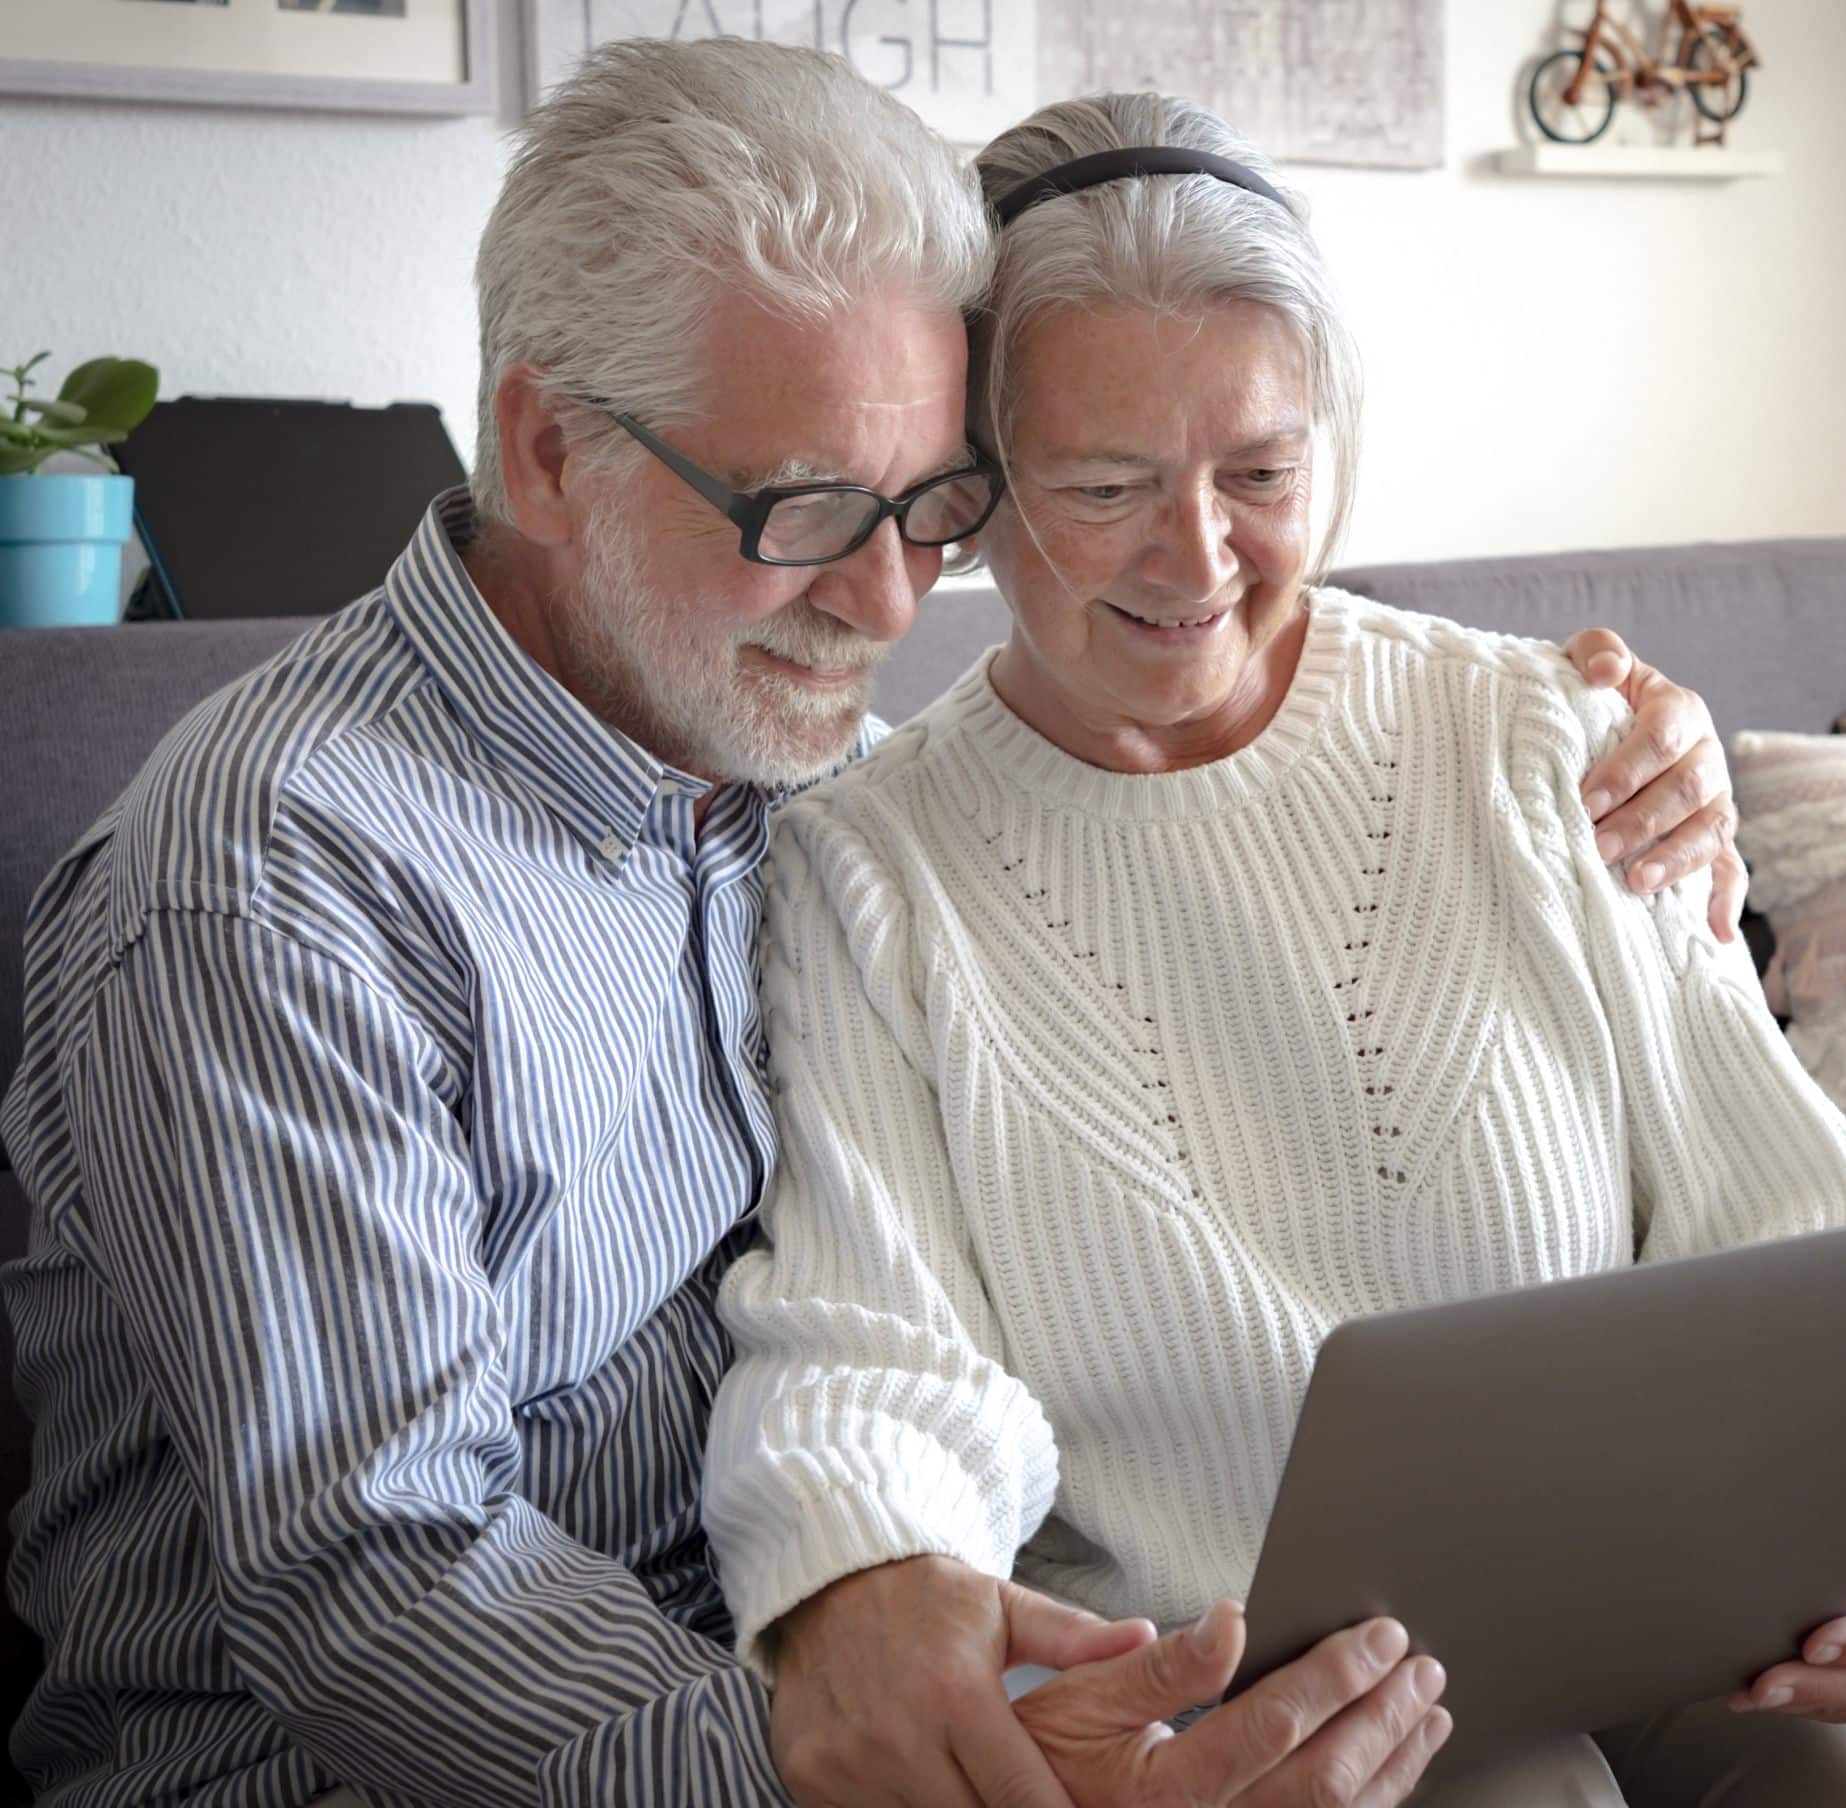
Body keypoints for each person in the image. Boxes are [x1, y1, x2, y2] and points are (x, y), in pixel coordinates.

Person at [0, 40, 1746, 1808]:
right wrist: (899, 1760)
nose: (891, 599)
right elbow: (372, 1590)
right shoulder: (266, 891)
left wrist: (1635, 767)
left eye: (936, 512)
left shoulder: (786, 752)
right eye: (813, 510)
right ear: (544, 448)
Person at [705, 90, 1846, 1808]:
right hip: (1278, 1696)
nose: (1201, 558)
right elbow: (872, 1333)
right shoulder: (869, 869)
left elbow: (1787, 1210)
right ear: (973, 489)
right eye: (1107, 486)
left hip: (1689, 1603)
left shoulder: (1538, 735)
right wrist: (864, 1573)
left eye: (1261, 472)